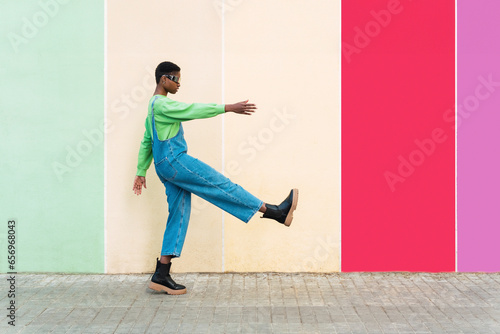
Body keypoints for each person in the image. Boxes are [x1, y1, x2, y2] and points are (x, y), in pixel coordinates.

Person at [132, 61, 298, 295]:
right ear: (163, 79)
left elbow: (147, 140)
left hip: (164, 166)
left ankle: (161, 273)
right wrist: (228, 107)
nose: (179, 83)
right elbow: (192, 110)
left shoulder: (152, 106)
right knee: (219, 185)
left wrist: (141, 171)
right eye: (175, 79)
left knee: (178, 214)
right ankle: (274, 212)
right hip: (175, 161)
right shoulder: (162, 105)